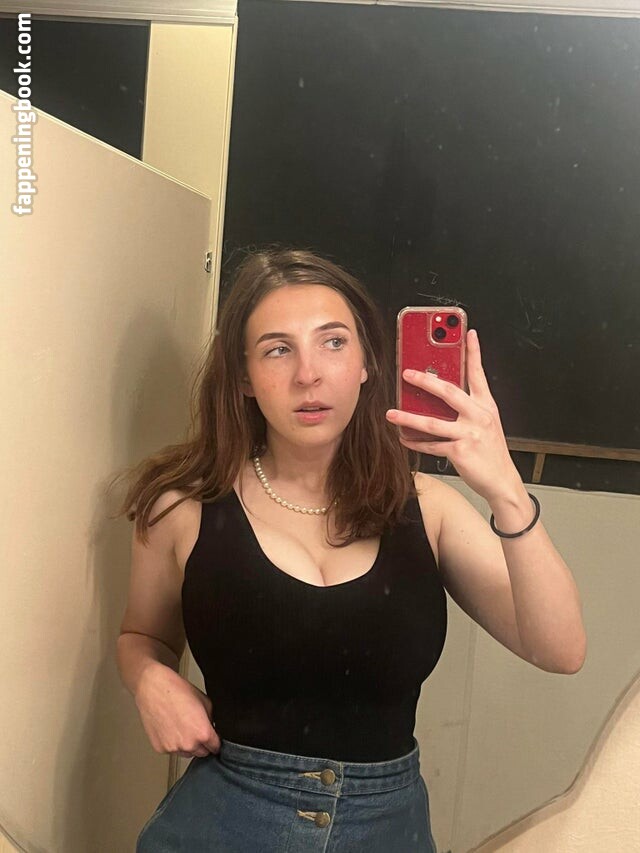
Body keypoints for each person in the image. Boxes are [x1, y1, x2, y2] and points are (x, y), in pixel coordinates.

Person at [114, 247, 586, 852]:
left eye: (333, 342)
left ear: (366, 362)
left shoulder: (429, 509)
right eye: (278, 349)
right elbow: (141, 637)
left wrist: (506, 490)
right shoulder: (183, 507)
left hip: (388, 830)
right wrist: (149, 679)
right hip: (222, 824)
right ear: (244, 377)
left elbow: (561, 650)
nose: (308, 374)